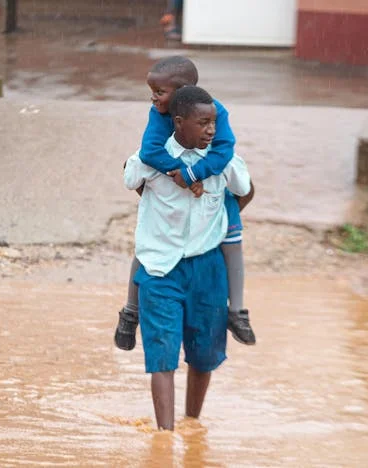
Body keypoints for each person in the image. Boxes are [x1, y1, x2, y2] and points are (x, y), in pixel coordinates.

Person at [123, 85, 252, 430]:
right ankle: (165, 438)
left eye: (214, 122)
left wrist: (222, 220)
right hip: (160, 269)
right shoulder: (152, 159)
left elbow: (246, 189)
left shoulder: (224, 163)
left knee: (204, 354)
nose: (212, 130)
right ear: (178, 123)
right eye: (203, 123)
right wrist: (156, 198)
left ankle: (192, 425)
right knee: (161, 357)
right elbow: (129, 176)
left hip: (207, 268)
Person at [114, 56, 256, 353]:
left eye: (159, 92)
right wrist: (176, 173)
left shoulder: (216, 114)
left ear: (182, 91)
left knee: (232, 245)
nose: (152, 98)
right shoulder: (159, 115)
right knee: (148, 245)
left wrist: (195, 175)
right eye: (151, 90)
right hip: (178, 193)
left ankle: (238, 311)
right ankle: (130, 312)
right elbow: (150, 151)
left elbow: (225, 151)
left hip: (217, 197)